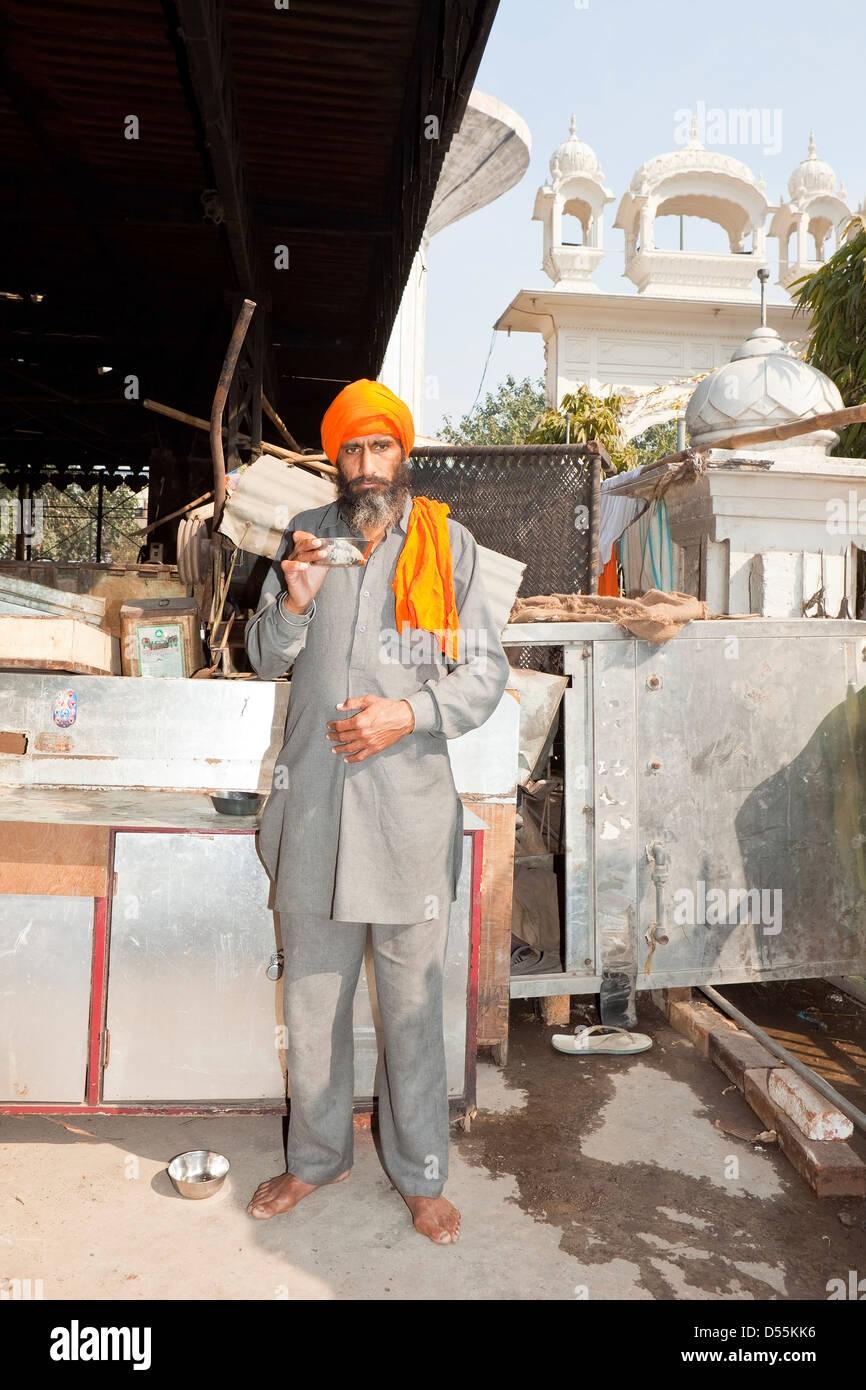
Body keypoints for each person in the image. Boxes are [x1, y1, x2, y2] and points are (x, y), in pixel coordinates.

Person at [244, 379, 510, 1244]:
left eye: (379, 448)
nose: (365, 467)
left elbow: (484, 676)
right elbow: (260, 656)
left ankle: (421, 1174)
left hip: (406, 816)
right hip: (314, 809)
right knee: (313, 1005)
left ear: (405, 454)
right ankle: (315, 1159)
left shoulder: (450, 545)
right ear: (335, 462)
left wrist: (409, 713)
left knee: (410, 1006)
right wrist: (293, 604)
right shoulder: (306, 542)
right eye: (350, 451)